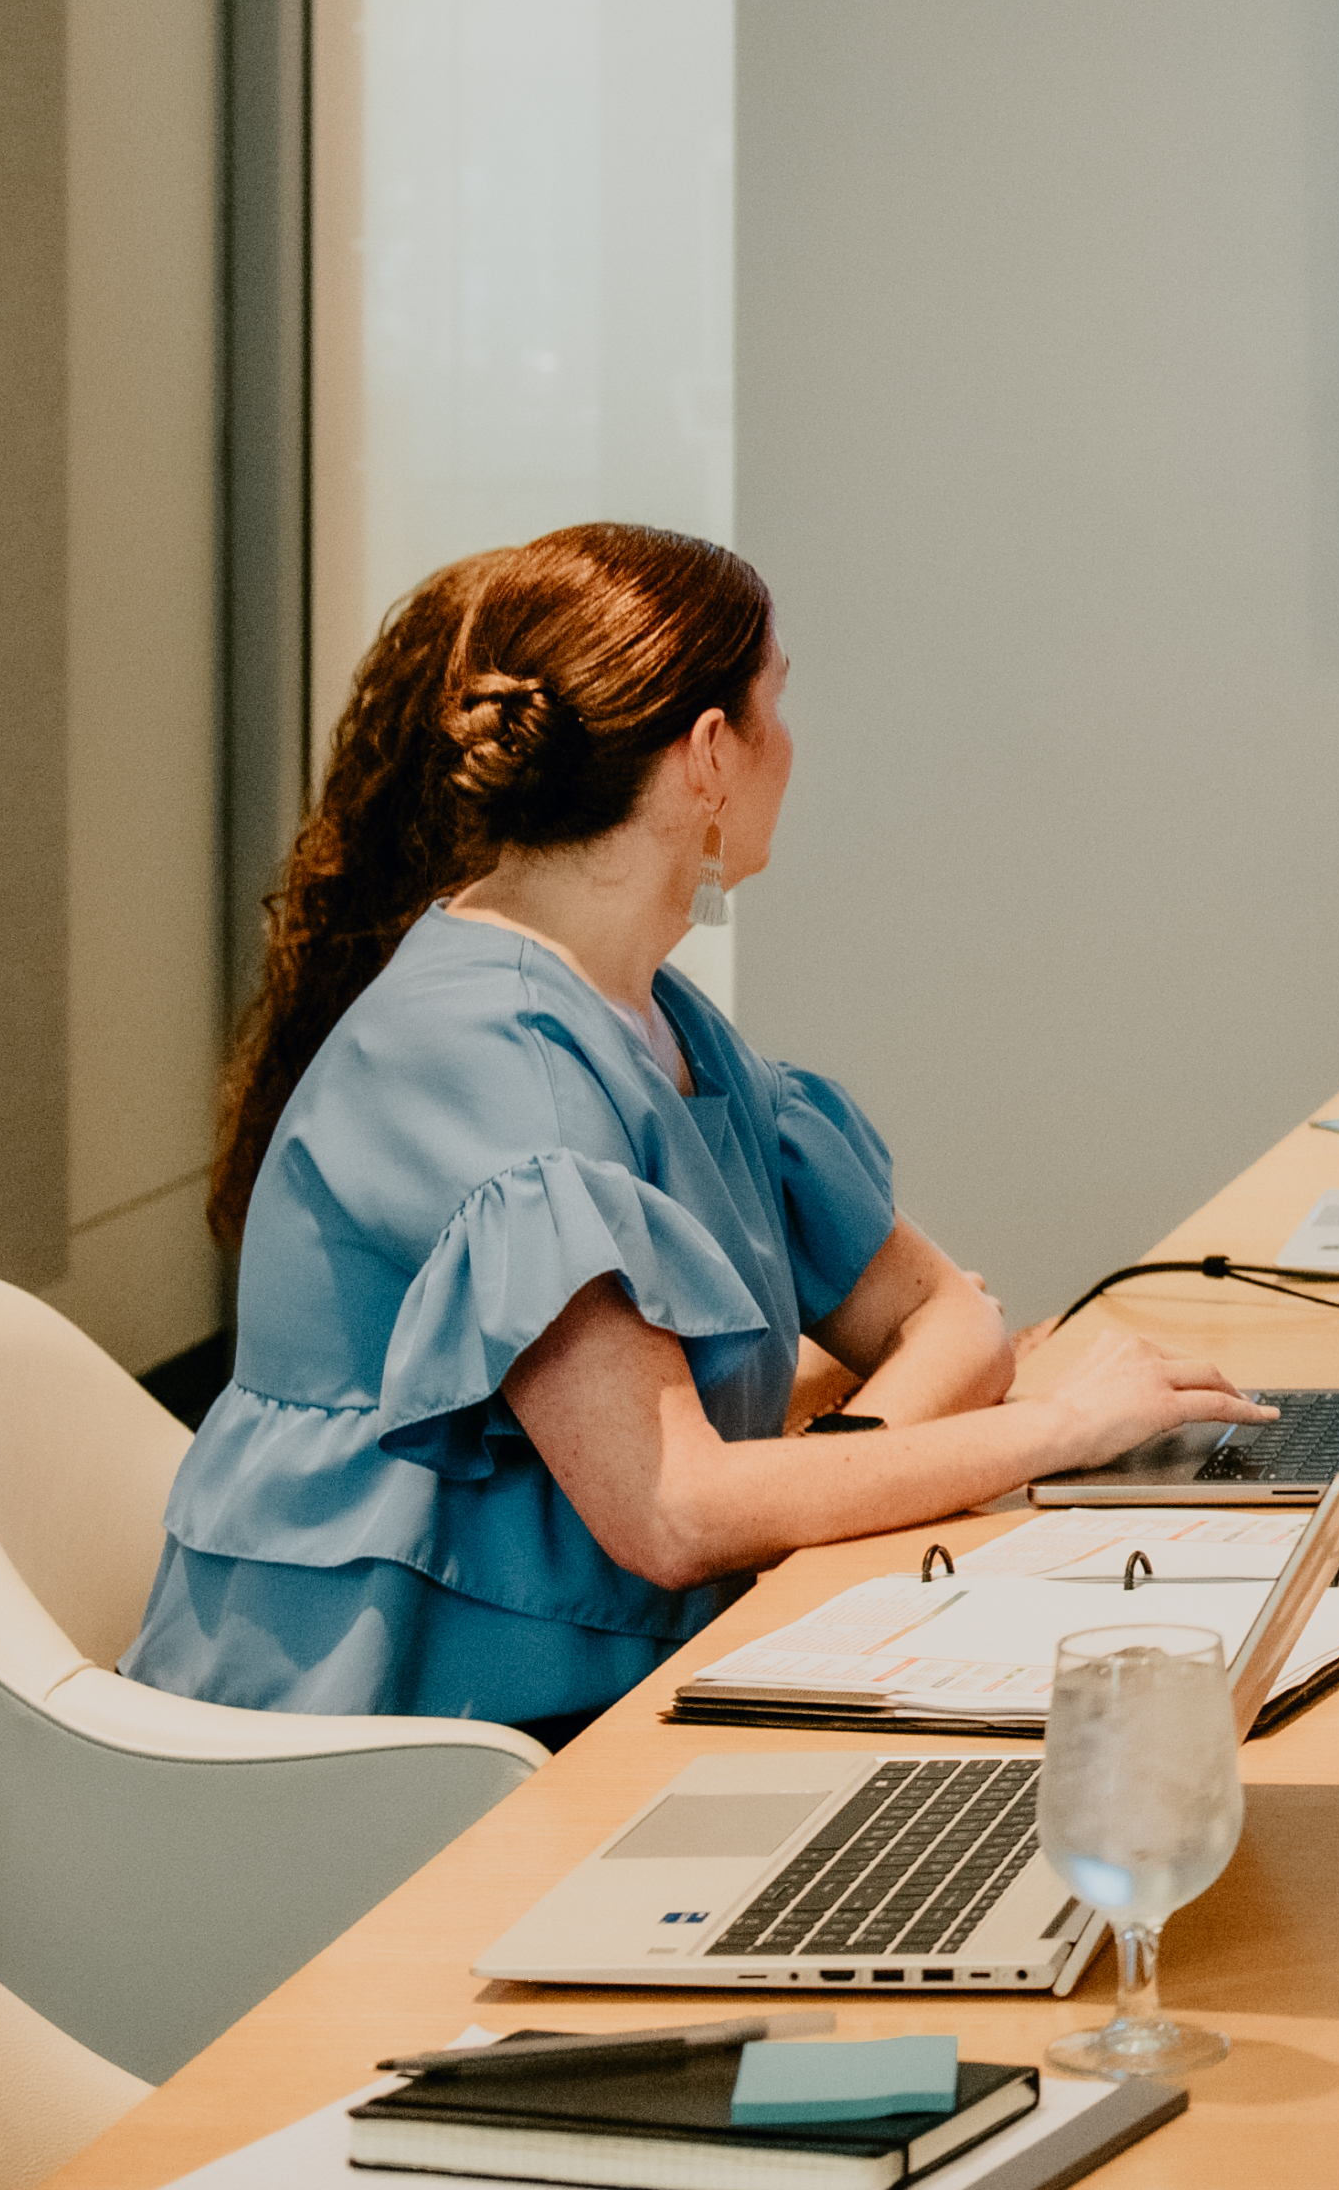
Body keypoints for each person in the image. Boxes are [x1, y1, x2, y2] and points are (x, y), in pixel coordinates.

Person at [129, 524, 1262, 1736]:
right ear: (712, 755)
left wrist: (839, 1465)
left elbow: (953, 1319)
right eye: (776, 705)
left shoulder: (661, 1022)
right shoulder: (489, 1062)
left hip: (595, 1681)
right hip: (396, 1742)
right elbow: (673, 1512)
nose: (796, 748)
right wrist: (1059, 1428)